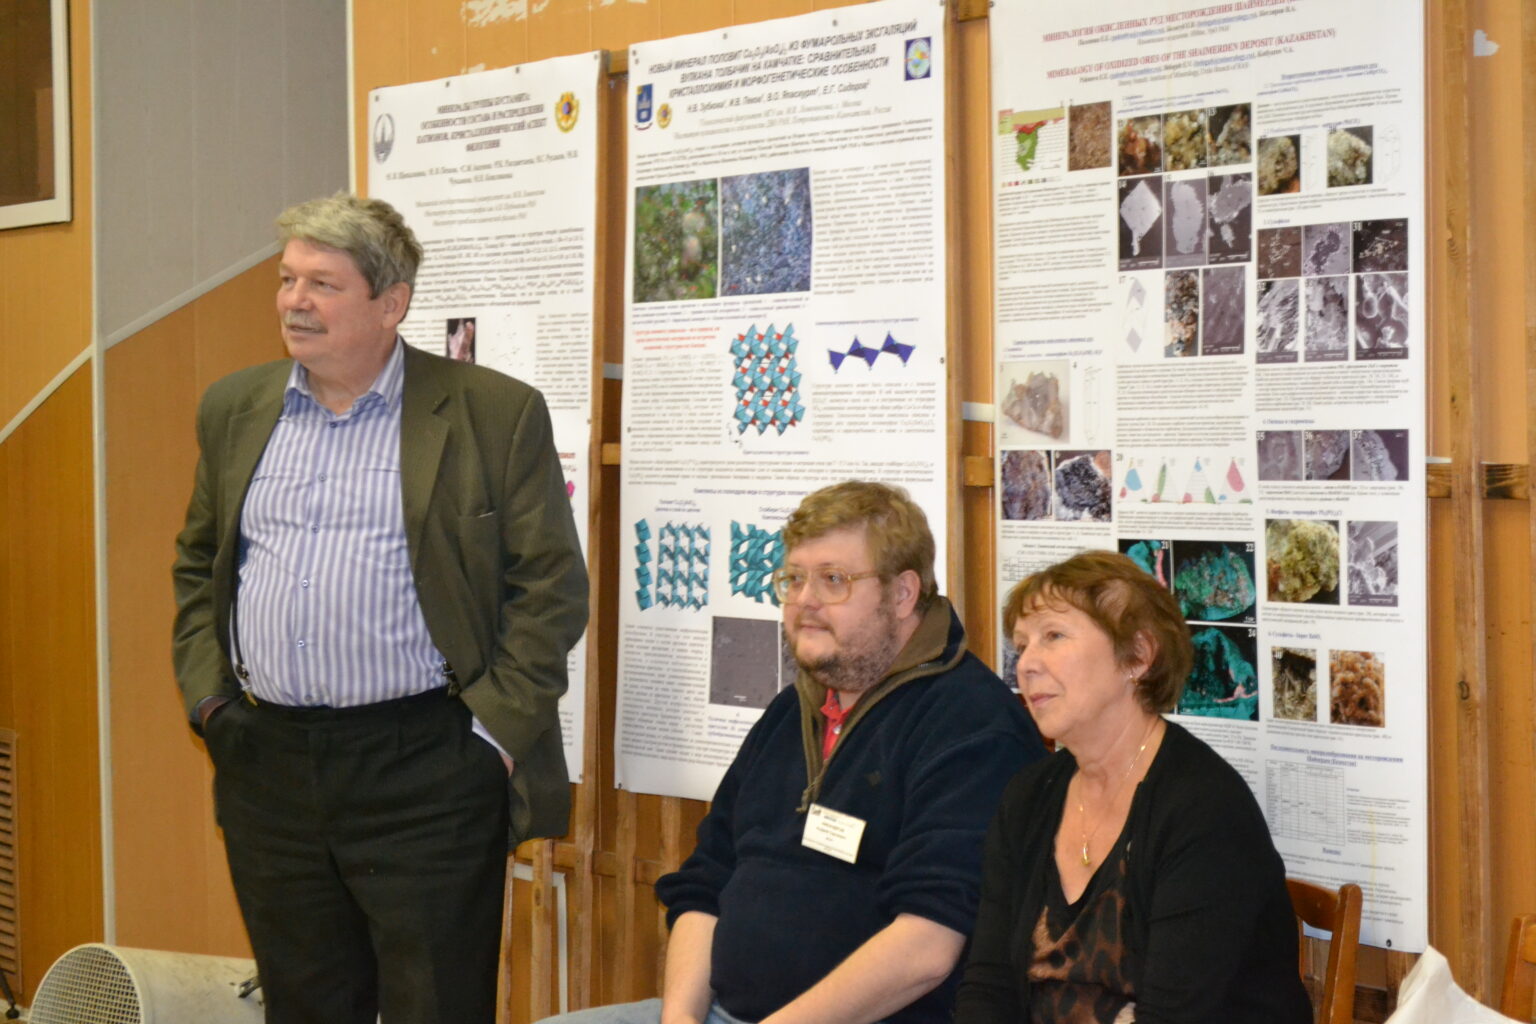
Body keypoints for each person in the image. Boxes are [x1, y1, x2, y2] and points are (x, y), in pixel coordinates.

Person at [171, 192, 588, 1024]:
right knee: (304, 1006)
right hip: (267, 763)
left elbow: (549, 587)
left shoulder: (491, 413)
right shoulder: (234, 408)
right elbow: (198, 563)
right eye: (287, 279)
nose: (294, 302)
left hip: (425, 766)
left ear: (391, 303)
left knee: (435, 1006)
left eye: (322, 284)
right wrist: (213, 704)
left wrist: (488, 739)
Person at [543, 481, 1046, 1024]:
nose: (804, 600)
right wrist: (680, 1018)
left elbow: (928, 947)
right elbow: (706, 884)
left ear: (903, 594)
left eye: (833, 580)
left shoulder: (972, 726)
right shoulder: (792, 711)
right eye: (794, 579)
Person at [956, 550, 1311, 1024]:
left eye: (1053, 636)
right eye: (1022, 645)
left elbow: (1174, 1016)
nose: (1026, 665)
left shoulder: (1204, 809)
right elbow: (988, 986)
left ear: (1138, 657)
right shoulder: (1029, 795)